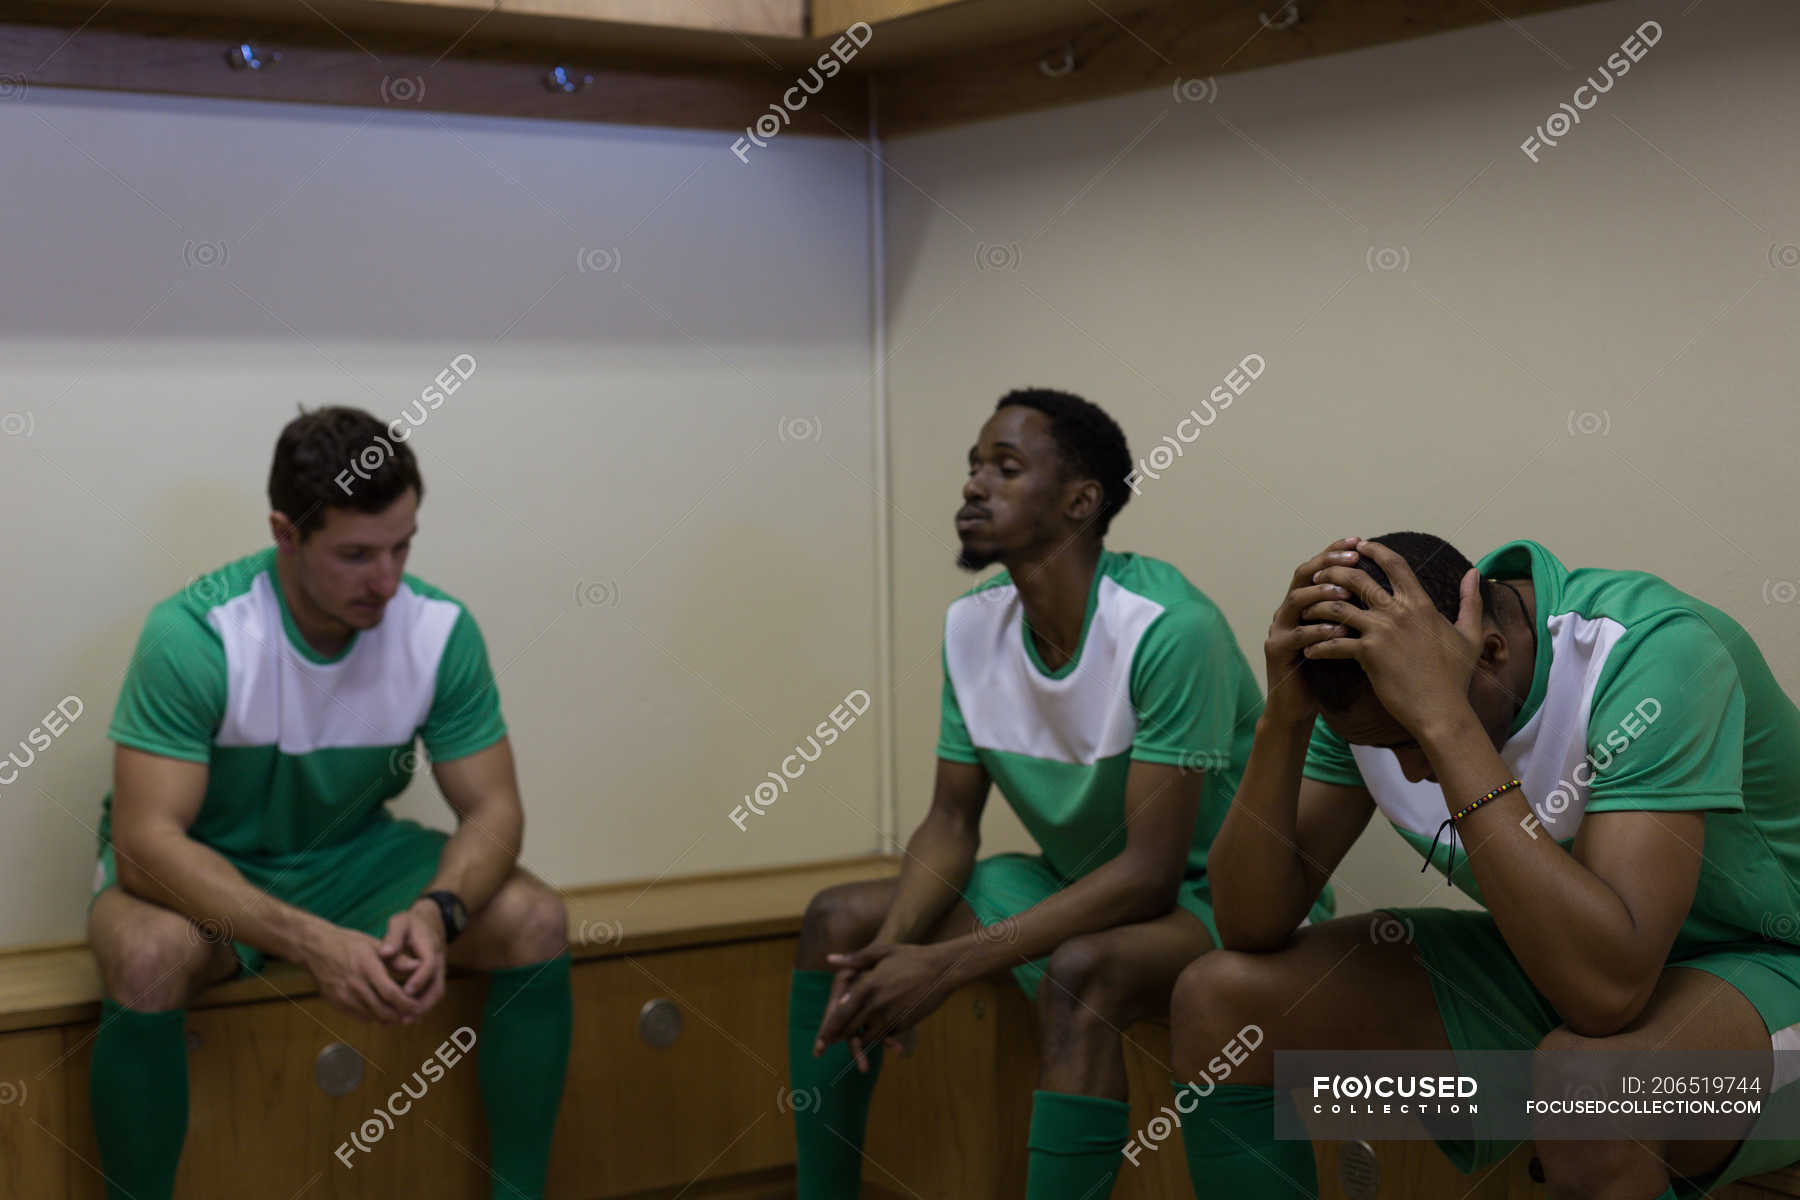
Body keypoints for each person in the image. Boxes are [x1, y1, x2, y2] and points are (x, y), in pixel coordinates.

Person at [788, 388, 1332, 1198]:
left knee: (1083, 969)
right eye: (974, 467)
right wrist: (892, 955)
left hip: (1214, 905)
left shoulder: (1165, 629)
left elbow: (1150, 875)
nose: (975, 485)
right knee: (840, 919)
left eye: (1006, 468)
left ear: (1081, 503)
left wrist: (940, 968)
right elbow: (948, 821)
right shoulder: (972, 624)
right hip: (1081, 882)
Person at [1171, 531, 1800, 1199]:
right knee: (1220, 1001)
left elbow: (1607, 997)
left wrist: (1442, 724)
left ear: (1490, 652)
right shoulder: (1377, 683)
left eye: (1412, 740)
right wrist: (1285, 723)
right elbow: (1247, 923)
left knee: (1590, 1091)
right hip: (1566, 969)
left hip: (1768, 970)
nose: (1409, 770)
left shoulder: (1650, 653)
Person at [86, 405, 572, 1199]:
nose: (386, 579)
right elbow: (146, 845)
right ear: (286, 533)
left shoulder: (438, 630)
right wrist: (311, 943)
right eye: (355, 554)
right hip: (207, 875)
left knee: (536, 919)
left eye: (402, 546)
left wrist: (438, 912)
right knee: (146, 958)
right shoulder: (196, 635)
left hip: (350, 859)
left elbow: (493, 813)